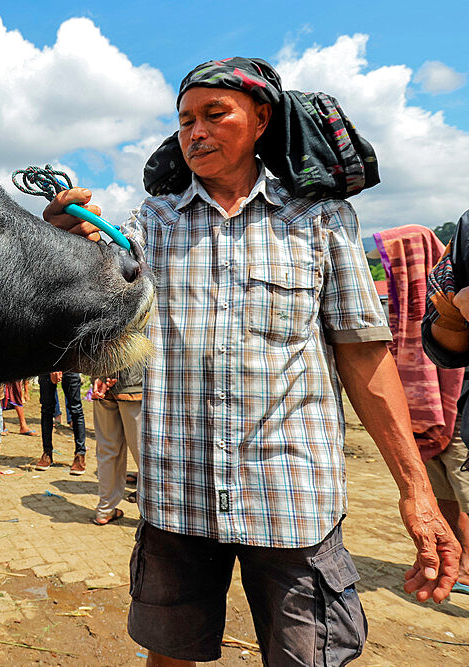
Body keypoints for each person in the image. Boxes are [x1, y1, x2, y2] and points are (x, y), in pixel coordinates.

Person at [45, 57, 459, 665]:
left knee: (308, 658)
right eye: (185, 120)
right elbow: (93, 312)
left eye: (215, 114)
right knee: (170, 655)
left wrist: (416, 493)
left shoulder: (320, 219)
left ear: (261, 118)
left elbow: (365, 356)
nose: (196, 132)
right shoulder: (150, 225)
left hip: (294, 501)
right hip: (176, 498)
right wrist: (65, 244)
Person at [419, 208, 469, 586]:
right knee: (444, 484)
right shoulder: (468, 232)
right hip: (430, 413)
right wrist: (450, 317)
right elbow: (445, 347)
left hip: (447, 406)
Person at [90, 362, 143, 525]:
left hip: (101, 382)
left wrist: (103, 376)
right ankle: (152, 511)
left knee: (107, 448)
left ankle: (105, 510)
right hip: (133, 384)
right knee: (142, 450)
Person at [36, 371, 86, 474]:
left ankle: (80, 454)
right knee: (46, 409)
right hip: (47, 364)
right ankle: (47, 452)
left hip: (69, 363)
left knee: (75, 409)